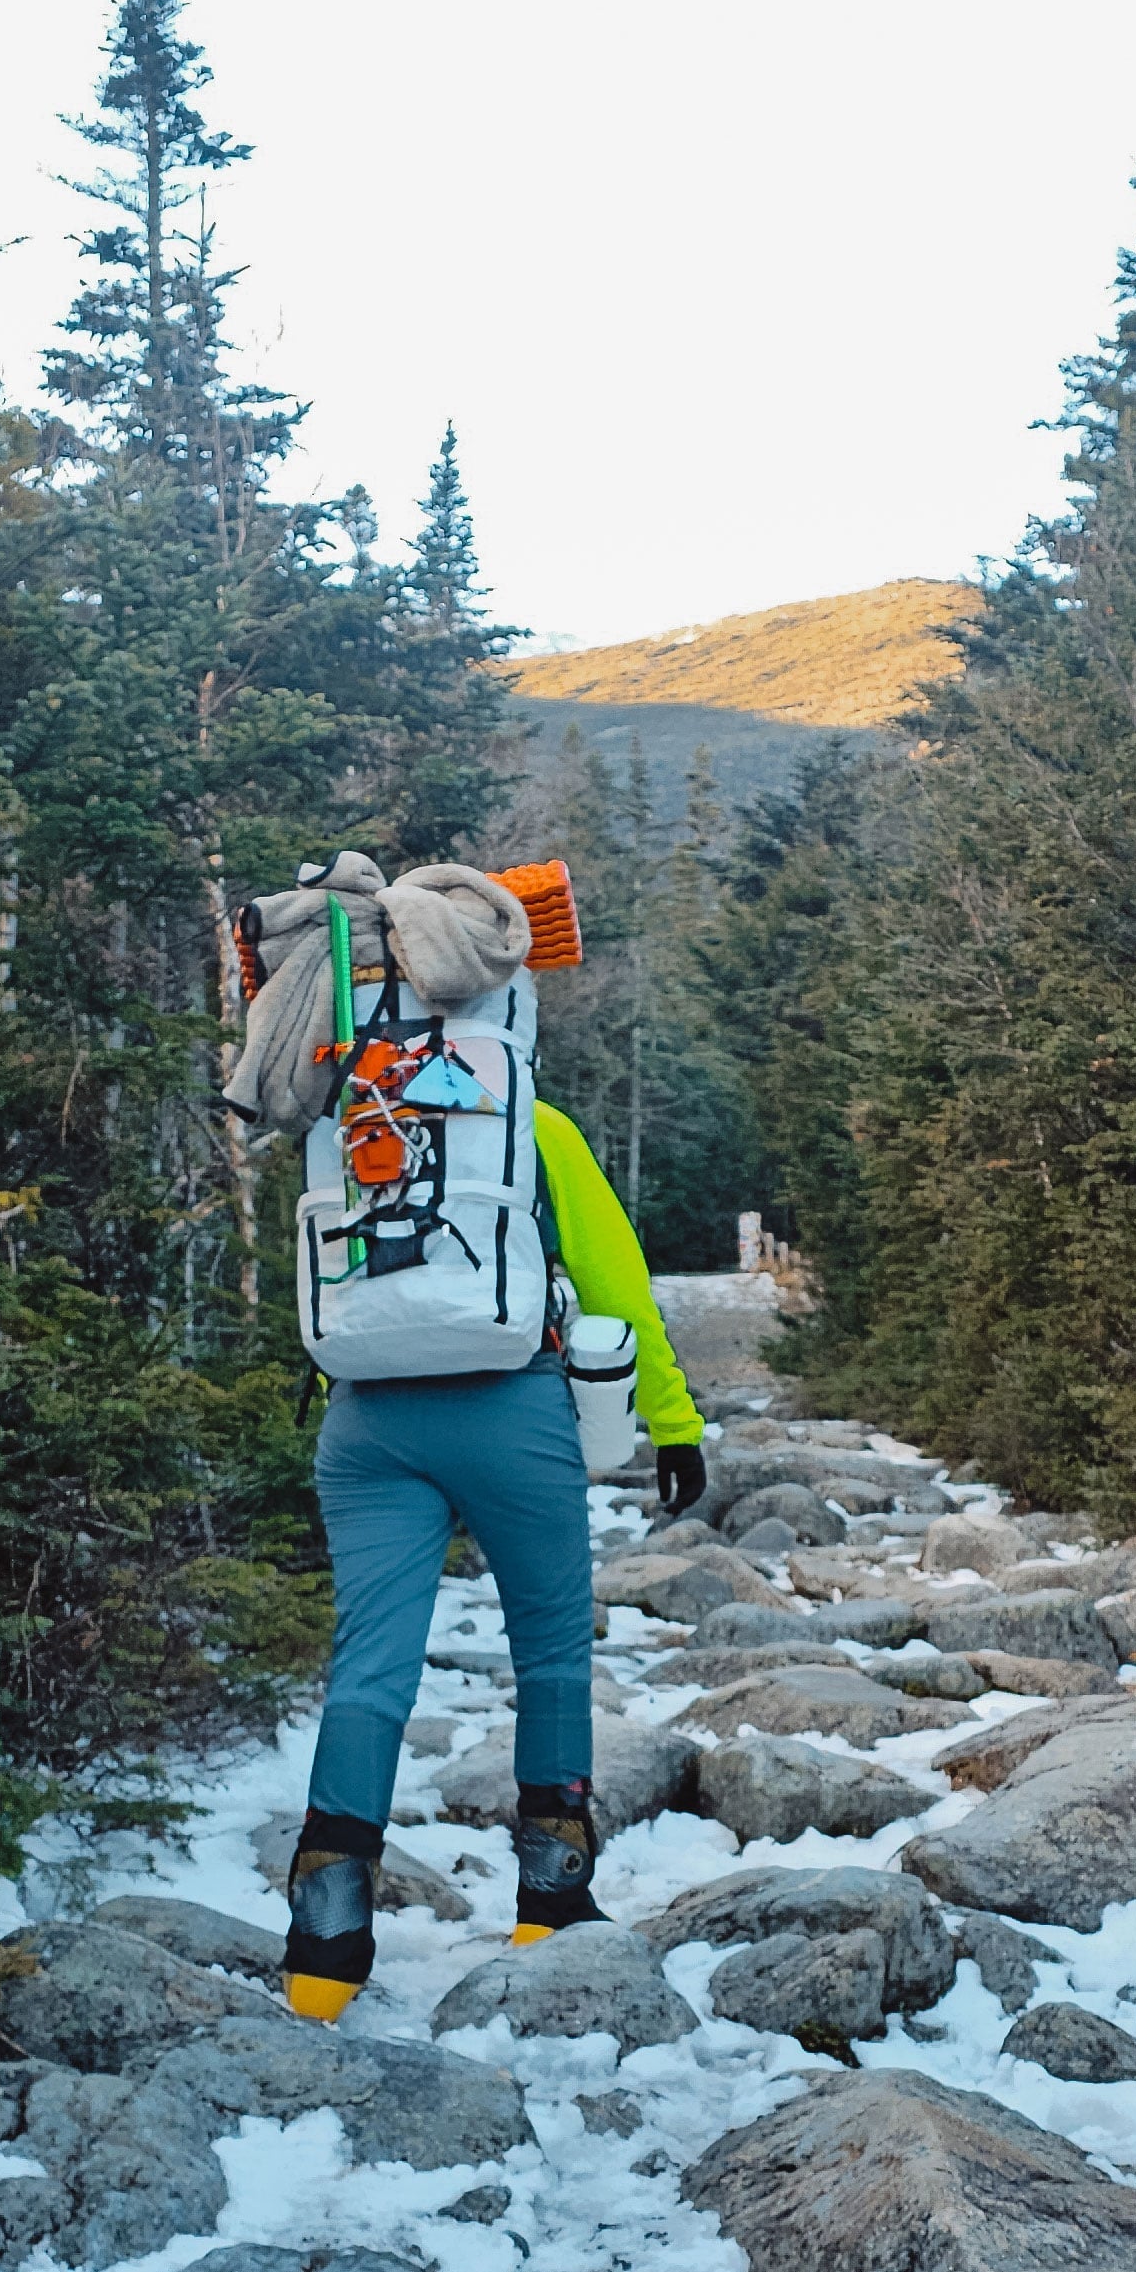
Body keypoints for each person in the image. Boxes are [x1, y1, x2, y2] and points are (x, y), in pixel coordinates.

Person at [224, 849, 709, 2023]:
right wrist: (672, 1423)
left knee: (371, 1667)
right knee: (549, 1648)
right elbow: (618, 1286)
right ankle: (551, 1894)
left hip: (367, 1421)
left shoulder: (350, 1111)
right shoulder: (528, 1129)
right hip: (512, 1408)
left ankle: (325, 1946)